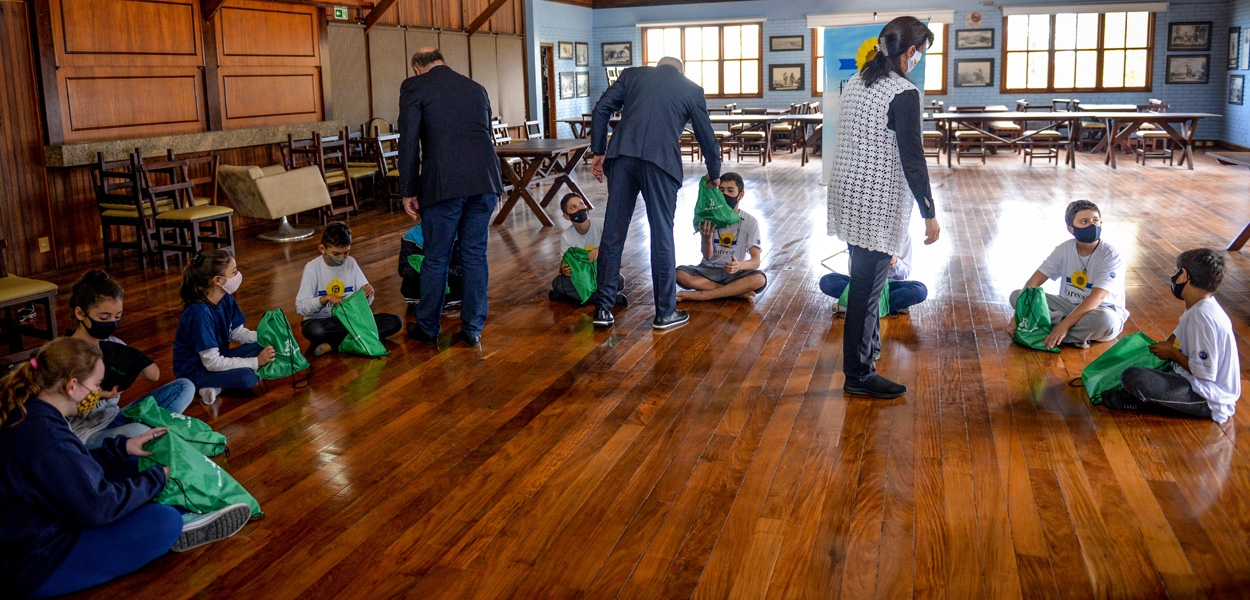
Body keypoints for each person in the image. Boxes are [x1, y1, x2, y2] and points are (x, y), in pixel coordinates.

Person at [0, 338, 249, 598]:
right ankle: (183, 519)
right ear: (72, 386)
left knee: (132, 463)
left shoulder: (30, 409)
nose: (98, 393)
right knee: (164, 521)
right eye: (97, 385)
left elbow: (71, 470)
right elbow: (98, 507)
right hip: (33, 564)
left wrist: (120, 448)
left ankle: (179, 511)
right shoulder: (46, 435)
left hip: (44, 522)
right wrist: (157, 478)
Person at [827, 16, 940, 399]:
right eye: (920, 52)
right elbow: (913, 157)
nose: (919, 58)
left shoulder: (860, 81)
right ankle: (858, 375)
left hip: (849, 193)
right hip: (876, 201)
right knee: (865, 291)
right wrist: (929, 212)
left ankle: (868, 353)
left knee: (865, 284)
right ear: (910, 51)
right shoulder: (902, 91)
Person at [588, 55, 722, 330]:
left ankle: (603, 309)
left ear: (658, 66)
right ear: (680, 71)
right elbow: (706, 135)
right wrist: (714, 171)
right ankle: (664, 313)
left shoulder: (632, 75)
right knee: (661, 234)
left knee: (613, 232)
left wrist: (598, 151)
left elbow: (601, 109)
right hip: (661, 164)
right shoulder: (691, 89)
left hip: (622, 157)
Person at [399, 46, 504, 348]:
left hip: (443, 184)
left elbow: (408, 142)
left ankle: (429, 327)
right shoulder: (475, 87)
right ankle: (472, 329)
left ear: (417, 68)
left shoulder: (415, 86)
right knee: (474, 255)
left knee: (437, 257)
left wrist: (408, 190)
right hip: (485, 180)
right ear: (442, 60)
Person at [1103, 249, 1241, 423]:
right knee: (1136, 367)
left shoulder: (1202, 317)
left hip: (1208, 399)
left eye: (1176, 271)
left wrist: (1172, 353)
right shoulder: (1199, 307)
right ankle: (1151, 401)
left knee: (1133, 376)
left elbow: (1205, 372)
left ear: (1184, 275)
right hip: (1188, 379)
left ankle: (1148, 403)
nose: (1173, 276)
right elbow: (1176, 337)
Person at [66, 270, 195, 449]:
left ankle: (147, 439)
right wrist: (101, 394)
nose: (112, 323)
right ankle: (149, 438)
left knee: (185, 386)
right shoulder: (64, 353)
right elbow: (63, 405)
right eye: (104, 317)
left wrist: (136, 358)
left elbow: (154, 375)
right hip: (88, 433)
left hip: (115, 417)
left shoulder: (114, 344)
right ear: (80, 313)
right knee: (137, 431)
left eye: (117, 317)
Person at [1008, 200, 1127, 349]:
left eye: (1096, 221)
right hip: (1067, 306)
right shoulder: (1064, 249)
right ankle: (1074, 336)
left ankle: (1042, 330)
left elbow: (1098, 297)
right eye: (1084, 221)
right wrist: (1019, 313)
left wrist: (1063, 325)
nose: (1092, 225)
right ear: (1071, 229)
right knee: (1017, 296)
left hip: (1099, 310)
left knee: (1106, 321)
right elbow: (1035, 280)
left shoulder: (1110, 255)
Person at [173, 250, 275, 406]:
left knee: (266, 346)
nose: (238, 275)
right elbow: (212, 363)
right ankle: (208, 385)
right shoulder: (199, 313)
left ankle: (215, 386)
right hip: (195, 370)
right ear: (218, 280)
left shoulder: (225, 297)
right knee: (247, 378)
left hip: (219, 356)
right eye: (234, 272)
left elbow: (237, 332)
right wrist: (255, 362)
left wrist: (265, 336)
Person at [296, 222, 403, 356]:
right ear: (322, 249)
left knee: (395, 322)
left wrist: (367, 295)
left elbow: (365, 305)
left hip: (350, 319)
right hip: (325, 321)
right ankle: (356, 338)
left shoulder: (351, 262)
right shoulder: (312, 268)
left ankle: (334, 345)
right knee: (313, 330)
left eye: (346, 253)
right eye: (336, 254)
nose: (342, 258)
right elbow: (301, 307)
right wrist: (325, 299)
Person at [675, 173, 767, 302]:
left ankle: (706, 295)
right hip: (708, 270)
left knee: (760, 279)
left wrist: (739, 265)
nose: (725, 195)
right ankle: (735, 292)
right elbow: (707, 256)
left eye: (730, 191)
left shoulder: (750, 221)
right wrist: (706, 238)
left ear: (741, 195)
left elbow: (755, 261)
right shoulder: (710, 217)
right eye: (721, 190)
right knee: (679, 274)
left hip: (734, 273)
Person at [819, 227, 929, 315]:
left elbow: (905, 272)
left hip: (890, 285)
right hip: (863, 285)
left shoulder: (903, 235)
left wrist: (895, 263)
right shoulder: (860, 231)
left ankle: (854, 307)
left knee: (920, 290)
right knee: (827, 281)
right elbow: (853, 272)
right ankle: (889, 307)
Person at [550, 193, 626, 306]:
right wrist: (563, 270)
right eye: (573, 207)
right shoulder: (566, 236)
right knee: (557, 283)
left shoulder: (601, 224)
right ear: (566, 216)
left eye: (581, 204)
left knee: (619, 280)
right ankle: (605, 297)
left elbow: (617, 243)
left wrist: (601, 249)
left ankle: (583, 297)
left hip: (602, 272)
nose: (580, 208)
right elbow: (566, 263)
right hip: (583, 278)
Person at [398, 215, 463, 311]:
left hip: (448, 281)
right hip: (420, 282)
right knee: (409, 288)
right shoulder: (410, 237)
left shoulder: (456, 235)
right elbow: (403, 269)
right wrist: (427, 273)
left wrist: (441, 273)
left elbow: (461, 266)